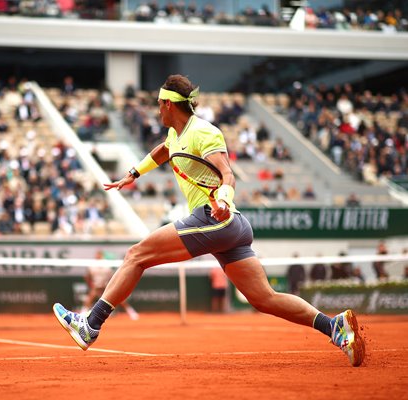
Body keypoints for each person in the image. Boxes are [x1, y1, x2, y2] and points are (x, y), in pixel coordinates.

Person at [53, 74, 365, 367]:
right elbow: (165, 150)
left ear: (168, 104)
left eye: (159, 105)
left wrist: (224, 202)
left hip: (217, 217)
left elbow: (227, 173)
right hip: (230, 227)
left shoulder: (204, 131)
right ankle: (334, 327)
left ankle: (90, 326)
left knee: (137, 255)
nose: (157, 111)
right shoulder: (177, 133)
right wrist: (134, 174)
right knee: (264, 298)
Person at [82, 251, 139, 320]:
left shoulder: (107, 265)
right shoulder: (92, 266)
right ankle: (83, 313)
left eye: (99, 255)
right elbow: (87, 276)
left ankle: (131, 312)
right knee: (91, 297)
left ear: (102, 256)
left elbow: (112, 277)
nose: (98, 257)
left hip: (107, 286)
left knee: (119, 298)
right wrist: (91, 284)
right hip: (97, 287)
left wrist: (110, 286)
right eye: (97, 255)